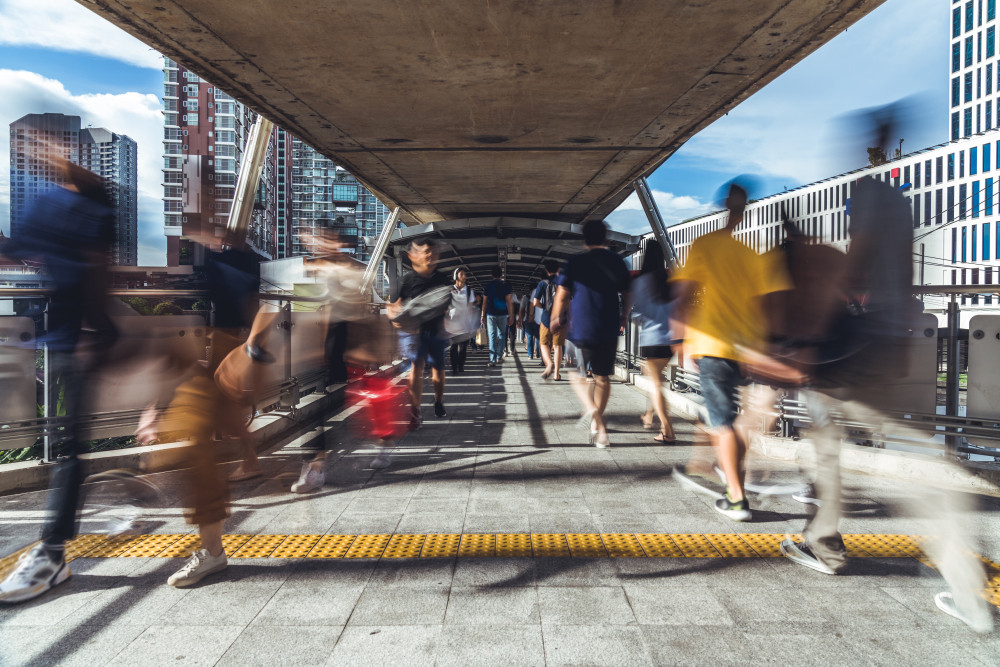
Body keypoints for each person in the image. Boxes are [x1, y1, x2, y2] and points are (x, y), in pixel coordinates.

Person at [0, 158, 118, 603]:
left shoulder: (96, 212)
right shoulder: (47, 205)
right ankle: (52, 552)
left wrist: (95, 329)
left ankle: (51, 554)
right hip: (59, 336)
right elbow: (12, 248)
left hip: (81, 339)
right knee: (68, 444)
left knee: (69, 446)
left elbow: (98, 274)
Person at [669, 182, 792, 521]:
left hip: (714, 344)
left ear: (724, 204)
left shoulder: (706, 245)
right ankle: (731, 478)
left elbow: (684, 295)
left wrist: (681, 338)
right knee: (735, 421)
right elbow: (771, 304)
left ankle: (736, 499)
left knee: (723, 422)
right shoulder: (753, 256)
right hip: (749, 348)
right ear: (746, 207)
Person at [550, 220, 630, 448]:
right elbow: (627, 292)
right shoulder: (617, 261)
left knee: (577, 374)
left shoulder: (575, 261)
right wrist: (624, 316)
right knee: (603, 377)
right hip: (608, 326)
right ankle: (598, 424)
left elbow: (562, 294)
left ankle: (594, 414)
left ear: (584, 239)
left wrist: (556, 316)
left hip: (580, 327)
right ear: (606, 238)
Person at [388, 238, 451, 428]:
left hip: (436, 331)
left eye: (433, 253)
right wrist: (395, 318)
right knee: (416, 366)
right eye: (426, 253)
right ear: (415, 256)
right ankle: (415, 410)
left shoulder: (443, 279)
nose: (430, 257)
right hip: (414, 332)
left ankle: (438, 401)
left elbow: (447, 307)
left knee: (438, 370)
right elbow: (395, 305)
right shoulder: (407, 280)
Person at [631, 242, 677, 443]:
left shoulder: (642, 282)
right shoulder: (670, 280)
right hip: (670, 341)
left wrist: (633, 315)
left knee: (656, 385)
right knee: (656, 381)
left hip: (651, 339)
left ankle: (668, 430)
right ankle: (649, 415)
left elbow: (638, 312)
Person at [533, 260, 565, 380]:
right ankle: (556, 374)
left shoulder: (542, 283)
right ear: (558, 270)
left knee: (543, 343)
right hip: (560, 319)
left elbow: (535, 302)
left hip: (546, 318)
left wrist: (544, 307)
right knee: (558, 346)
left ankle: (549, 364)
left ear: (547, 271)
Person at [480, 266, 515, 367]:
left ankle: (492, 360)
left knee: (492, 336)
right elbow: (509, 302)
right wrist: (511, 315)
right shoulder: (506, 286)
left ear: (492, 275)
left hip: (491, 314)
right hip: (503, 314)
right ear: (501, 275)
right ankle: (499, 356)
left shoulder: (488, 286)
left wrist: (482, 315)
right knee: (502, 335)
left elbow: (484, 303)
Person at [449, 267, 475, 374]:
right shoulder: (450, 290)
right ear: (456, 276)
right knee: (453, 346)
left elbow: (470, 308)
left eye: (465, 274)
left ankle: (460, 365)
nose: (464, 276)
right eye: (461, 274)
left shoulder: (469, 291)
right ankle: (454, 367)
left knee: (463, 346)